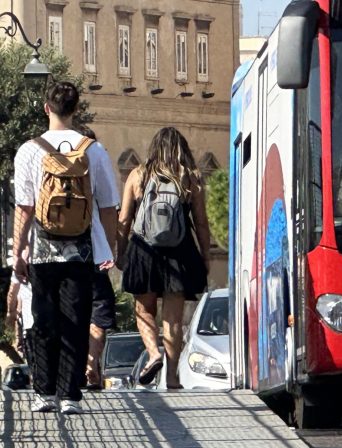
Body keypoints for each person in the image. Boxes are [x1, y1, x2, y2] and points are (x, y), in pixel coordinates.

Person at [13, 81, 119, 414]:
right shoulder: (94, 150)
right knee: (76, 319)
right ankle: (70, 394)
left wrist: (18, 253)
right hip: (82, 250)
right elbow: (108, 205)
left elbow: (25, 208)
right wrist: (110, 248)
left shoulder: (30, 150)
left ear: (47, 108)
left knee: (44, 319)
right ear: (74, 110)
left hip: (43, 250)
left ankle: (44, 392)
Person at [117, 127, 210, 390]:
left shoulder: (138, 175)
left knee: (144, 310)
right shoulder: (190, 177)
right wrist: (205, 256)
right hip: (179, 253)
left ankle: (153, 352)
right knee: (173, 319)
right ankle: (171, 377)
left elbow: (124, 219)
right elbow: (201, 223)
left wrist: (120, 252)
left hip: (143, 250)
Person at [79, 126, 119, 391]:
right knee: (99, 307)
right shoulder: (99, 154)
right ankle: (91, 363)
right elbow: (109, 209)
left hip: (57, 252)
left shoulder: (51, 154)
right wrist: (110, 248)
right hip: (93, 251)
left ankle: (75, 367)